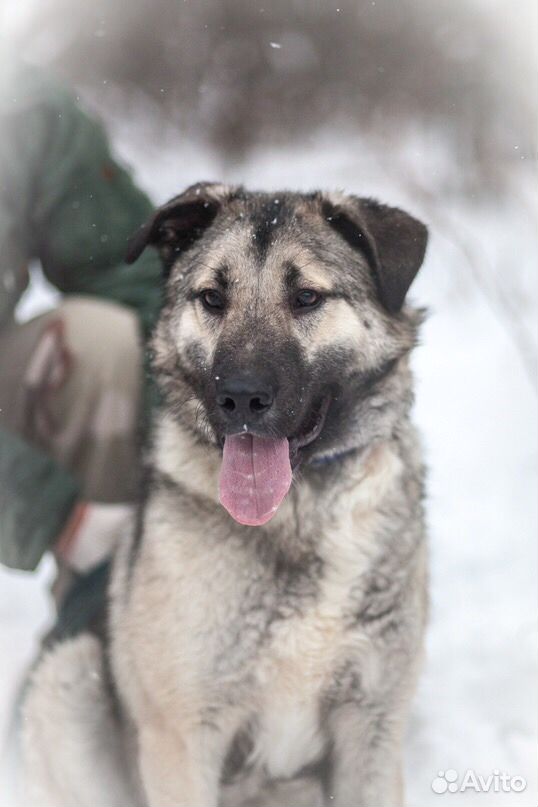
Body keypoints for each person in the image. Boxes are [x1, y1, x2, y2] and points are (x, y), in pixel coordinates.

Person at [0, 59, 162, 633]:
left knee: (101, 338)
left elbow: (132, 276)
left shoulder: (22, 104)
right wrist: (50, 512)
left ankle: (105, 631)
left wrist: (194, 433)